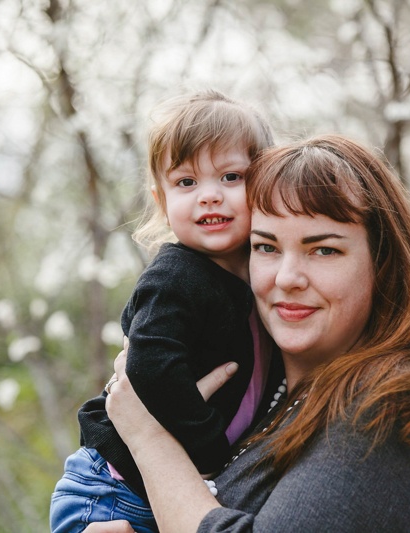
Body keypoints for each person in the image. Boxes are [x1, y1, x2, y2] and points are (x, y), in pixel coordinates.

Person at [97, 134, 410, 532]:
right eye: (266, 247)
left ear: (383, 266)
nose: (287, 278)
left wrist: (150, 440)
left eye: (324, 250)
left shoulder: (396, 404)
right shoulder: (260, 395)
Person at [49, 90, 275, 533]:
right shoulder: (177, 277)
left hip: (161, 490)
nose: (209, 196)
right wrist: (209, 450)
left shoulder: (255, 276)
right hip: (113, 493)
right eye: (186, 182)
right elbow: (151, 364)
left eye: (231, 177)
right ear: (161, 199)